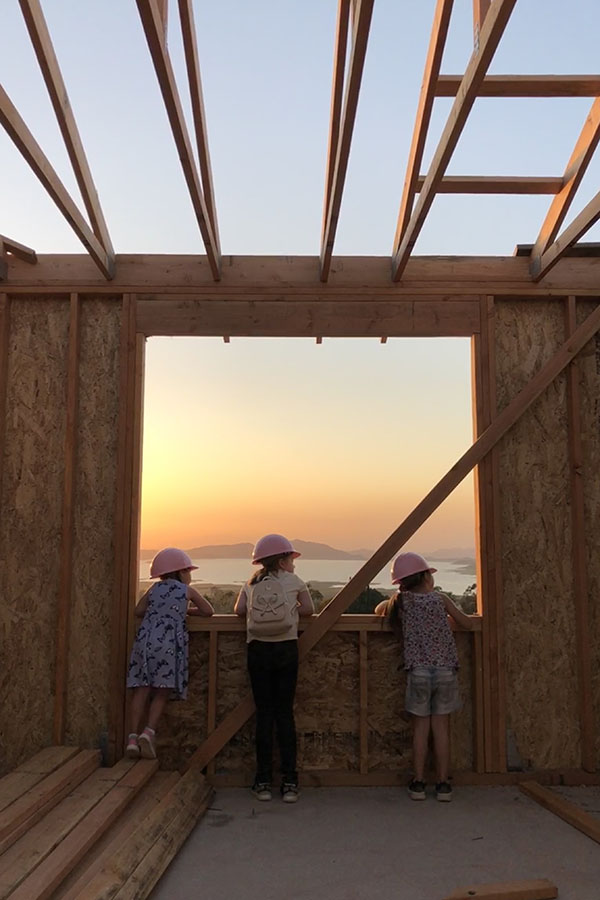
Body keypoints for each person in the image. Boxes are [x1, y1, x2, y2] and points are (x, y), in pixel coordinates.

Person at [375, 551, 476, 802]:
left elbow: (378, 609)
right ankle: (443, 784)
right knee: (441, 729)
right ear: (425, 577)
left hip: (418, 672)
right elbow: (467, 624)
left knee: (420, 729)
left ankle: (418, 782)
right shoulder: (440, 600)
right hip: (444, 671)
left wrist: (397, 597)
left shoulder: (402, 603)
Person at [234, 533, 314, 803]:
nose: (294, 564)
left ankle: (263, 780)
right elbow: (309, 609)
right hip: (286, 649)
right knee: (285, 714)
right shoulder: (294, 581)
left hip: (258, 650)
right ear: (281, 560)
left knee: (264, 714)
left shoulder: (251, 582)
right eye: (291, 559)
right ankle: (290, 781)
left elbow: (239, 610)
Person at [126, 547, 214, 759]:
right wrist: (184, 611)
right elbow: (208, 611)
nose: (190, 575)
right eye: (188, 571)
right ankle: (149, 732)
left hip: (146, 643)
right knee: (162, 690)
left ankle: (131, 739)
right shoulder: (186, 592)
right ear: (181, 571)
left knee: (142, 689)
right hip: (168, 646)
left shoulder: (153, 590)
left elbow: (138, 610)